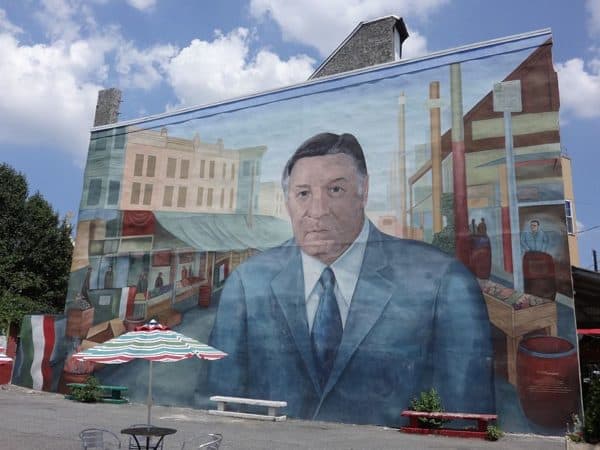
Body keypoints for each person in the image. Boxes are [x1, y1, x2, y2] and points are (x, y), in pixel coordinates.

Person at [207, 132, 495, 426]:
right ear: (288, 201)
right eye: (303, 194)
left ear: (364, 191)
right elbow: (216, 408)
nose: (317, 211)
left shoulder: (443, 282)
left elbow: (466, 424)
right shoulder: (247, 283)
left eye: (335, 190)